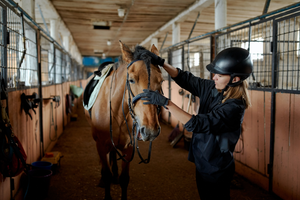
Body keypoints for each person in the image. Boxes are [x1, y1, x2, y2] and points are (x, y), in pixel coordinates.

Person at [141, 47, 253, 200]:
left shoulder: (234, 108)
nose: (214, 77)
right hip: (202, 159)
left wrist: (166, 103)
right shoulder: (213, 88)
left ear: (235, 79)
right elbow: (186, 79)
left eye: (219, 75)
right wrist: (162, 63)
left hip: (216, 167)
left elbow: (197, 124)